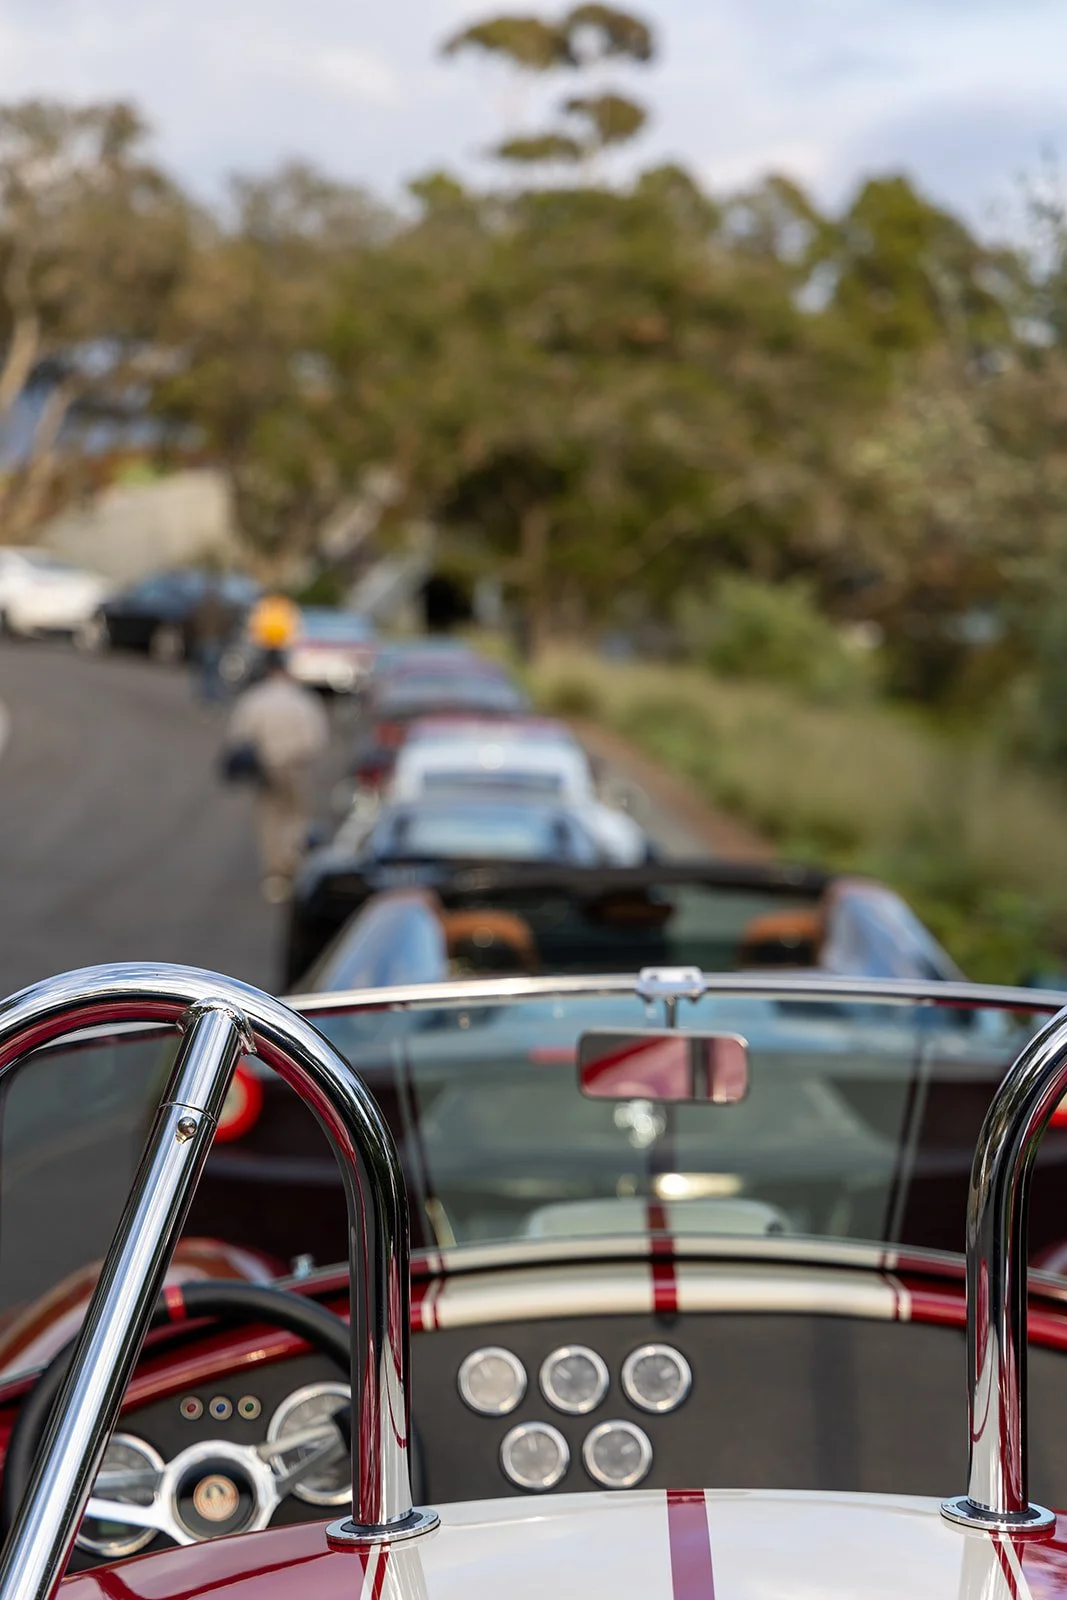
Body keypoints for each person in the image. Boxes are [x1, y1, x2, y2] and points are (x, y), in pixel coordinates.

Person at [226, 649, 329, 903]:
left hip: (266, 767)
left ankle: (276, 875)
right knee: (296, 816)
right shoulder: (303, 700)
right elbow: (316, 739)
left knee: (270, 820)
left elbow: (239, 737)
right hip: (297, 767)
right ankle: (292, 862)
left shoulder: (255, 699)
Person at [190, 577, 233, 704]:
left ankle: (207, 696)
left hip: (207, 640)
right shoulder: (221, 607)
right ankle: (212, 696)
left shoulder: (204, 606)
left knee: (207, 671)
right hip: (215, 641)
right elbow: (226, 624)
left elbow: (197, 622)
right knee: (213, 672)